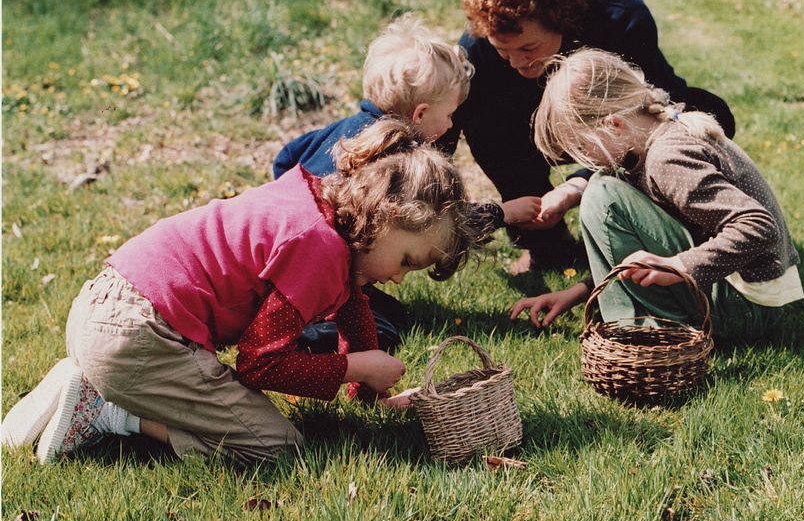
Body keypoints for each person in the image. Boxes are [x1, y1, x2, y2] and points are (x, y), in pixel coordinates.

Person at [2, 118, 478, 466]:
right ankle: (107, 410)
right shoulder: (315, 250)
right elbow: (259, 363)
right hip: (137, 338)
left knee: (254, 426)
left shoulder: (321, 211)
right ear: (384, 216)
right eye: (407, 261)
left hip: (106, 307)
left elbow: (353, 312)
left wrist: (372, 393)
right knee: (275, 447)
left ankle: (104, 382)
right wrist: (357, 367)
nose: (399, 279)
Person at [438, 0, 737, 273]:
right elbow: (444, 131)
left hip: (609, 124)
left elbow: (659, 105)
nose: (516, 63)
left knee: (706, 112)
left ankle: (672, 225)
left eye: (529, 48)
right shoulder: (478, 48)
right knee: (484, 123)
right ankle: (546, 245)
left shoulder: (618, 14)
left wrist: (576, 185)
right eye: (504, 52)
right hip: (521, 127)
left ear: (559, 20)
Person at [273, 14, 541, 351]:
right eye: (449, 115)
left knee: (394, 312)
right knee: (383, 330)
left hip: (288, 254)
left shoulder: (339, 131)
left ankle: (302, 314)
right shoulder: (398, 160)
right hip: (319, 272)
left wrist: (288, 206)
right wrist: (502, 213)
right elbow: (438, 223)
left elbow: (285, 157)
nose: (449, 125)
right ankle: (302, 336)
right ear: (420, 114)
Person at [510, 49, 803, 340]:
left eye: (584, 148)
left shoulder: (667, 158)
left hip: (746, 308)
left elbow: (759, 225)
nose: (585, 160)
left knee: (603, 193)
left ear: (614, 125)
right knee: (603, 183)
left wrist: (679, 266)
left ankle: (637, 334)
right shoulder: (654, 137)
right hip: (750, 299)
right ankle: (633, 317)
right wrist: (578, 292)